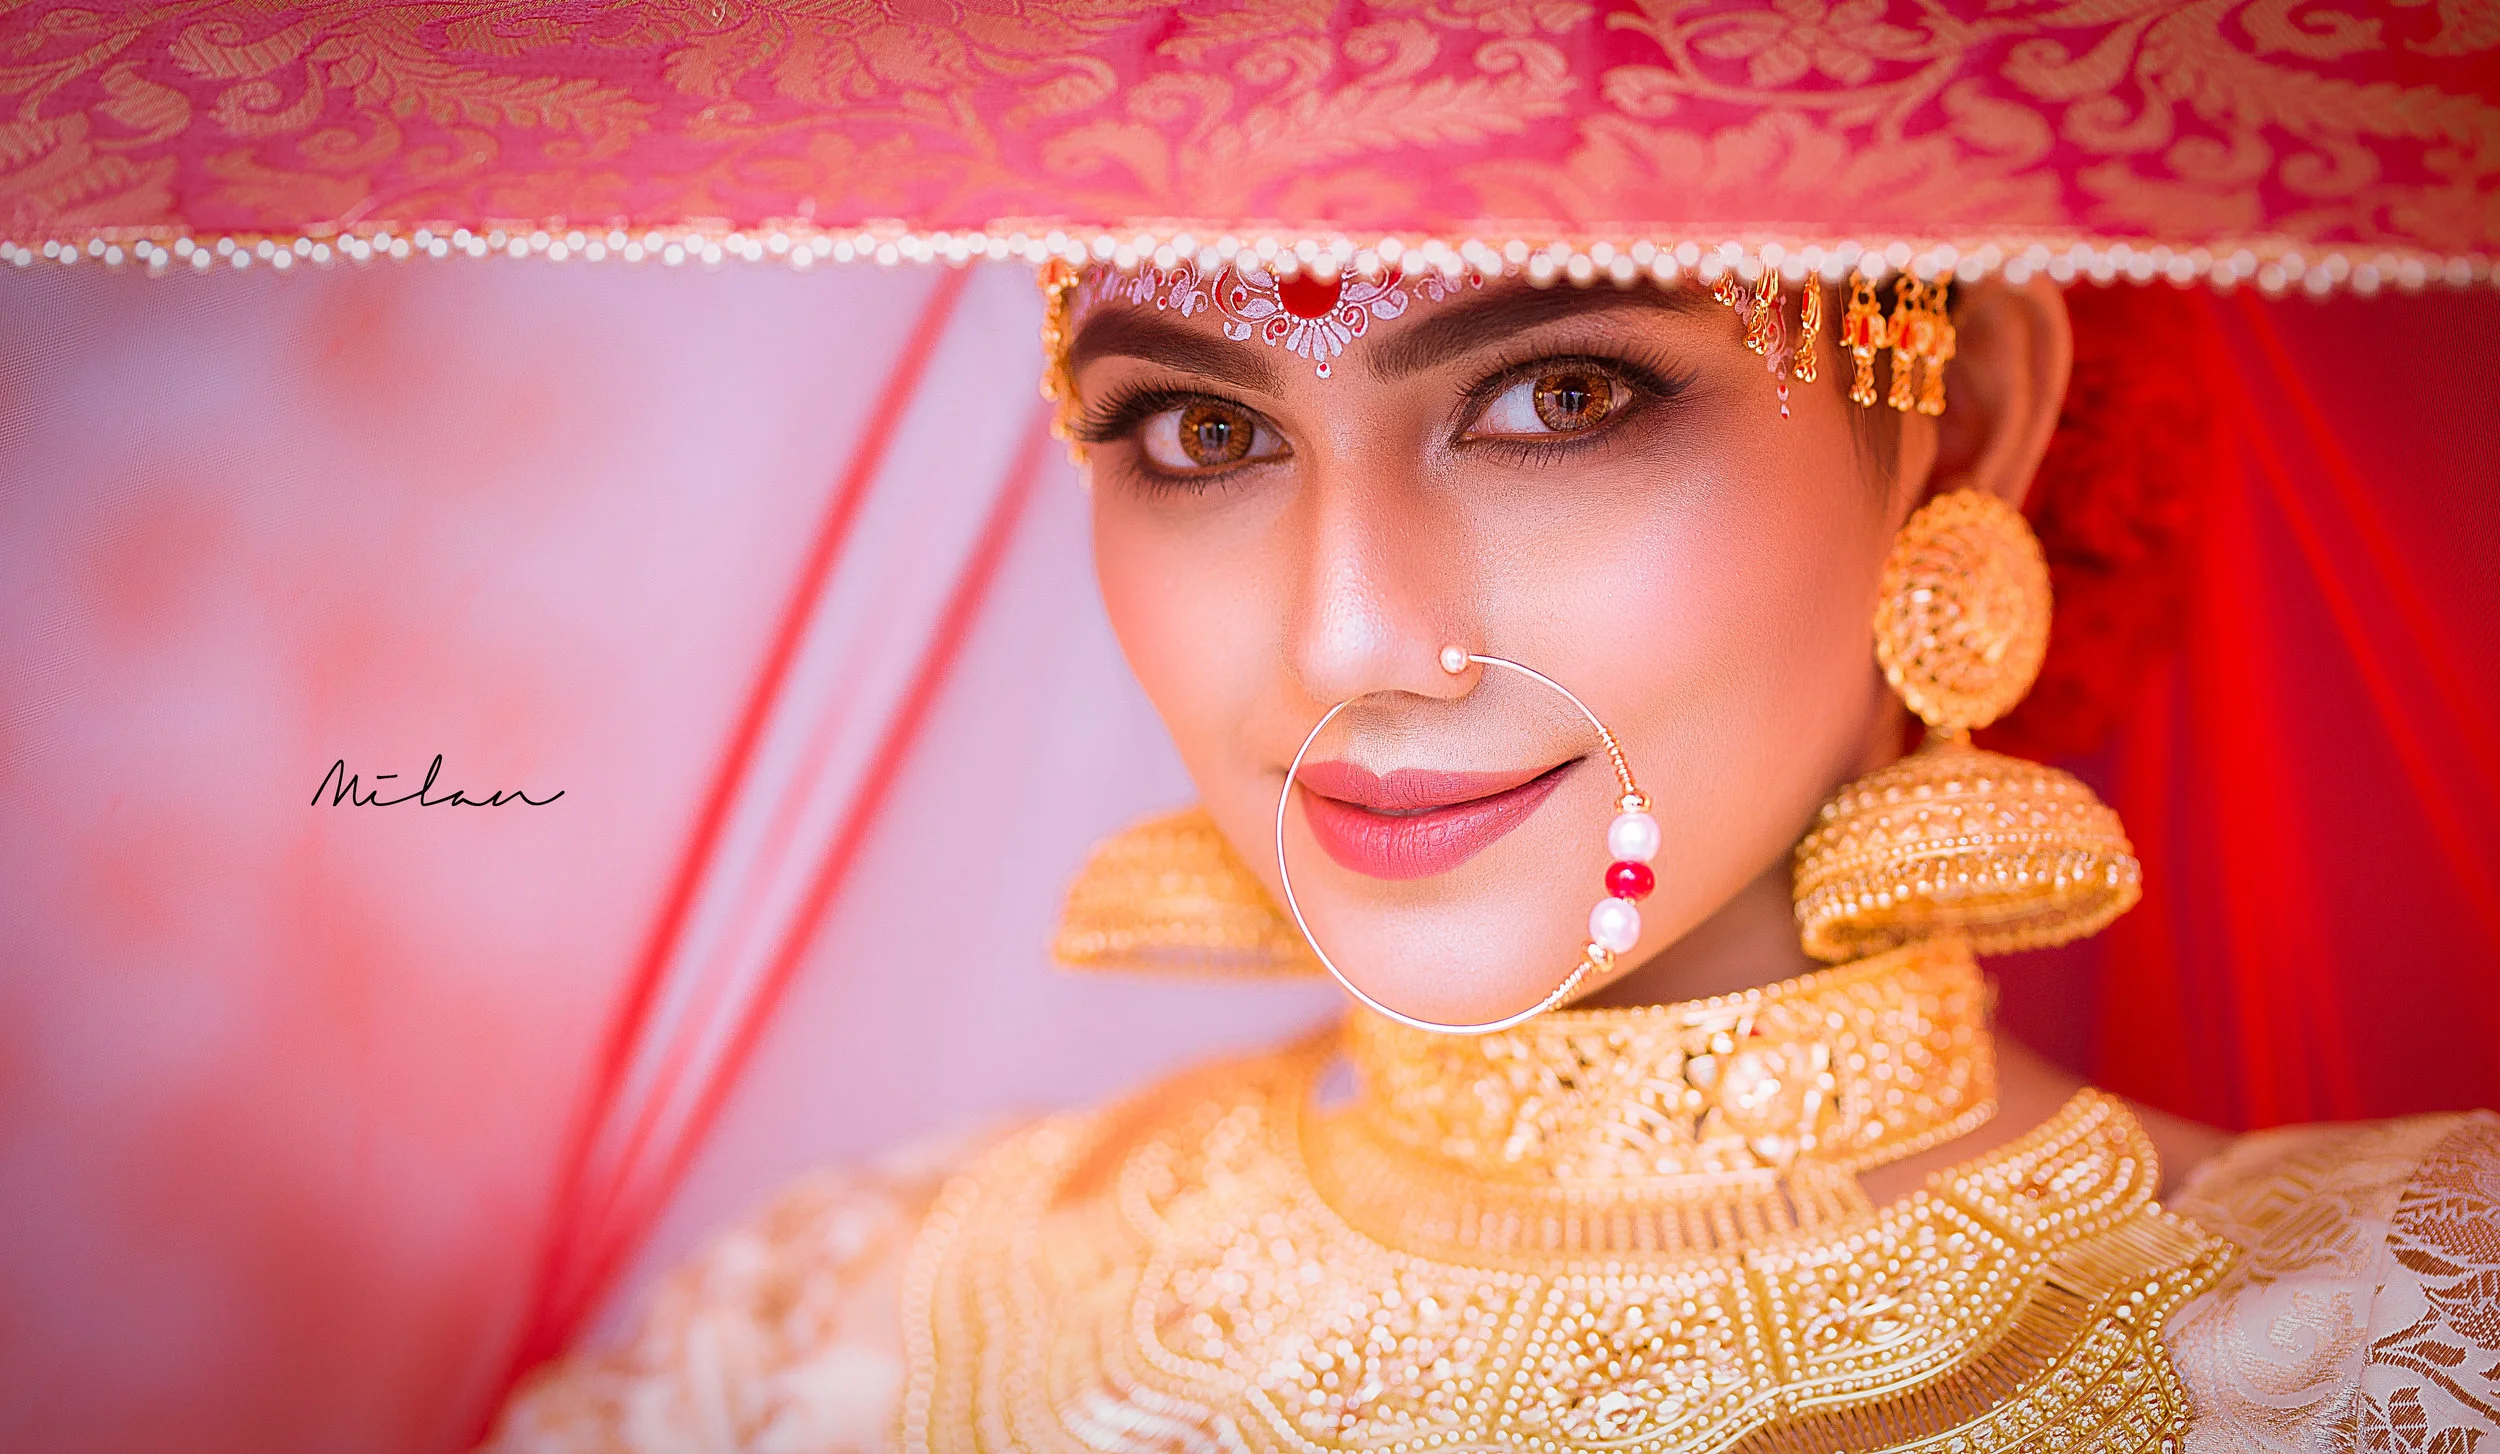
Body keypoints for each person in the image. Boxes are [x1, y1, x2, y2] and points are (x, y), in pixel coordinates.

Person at [483, 247, 2499, 1450]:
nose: (1344, 637)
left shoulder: (2413, 1336)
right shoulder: (830, 1342)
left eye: (1558, 392)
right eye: (1201, 432)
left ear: (1957, 414)